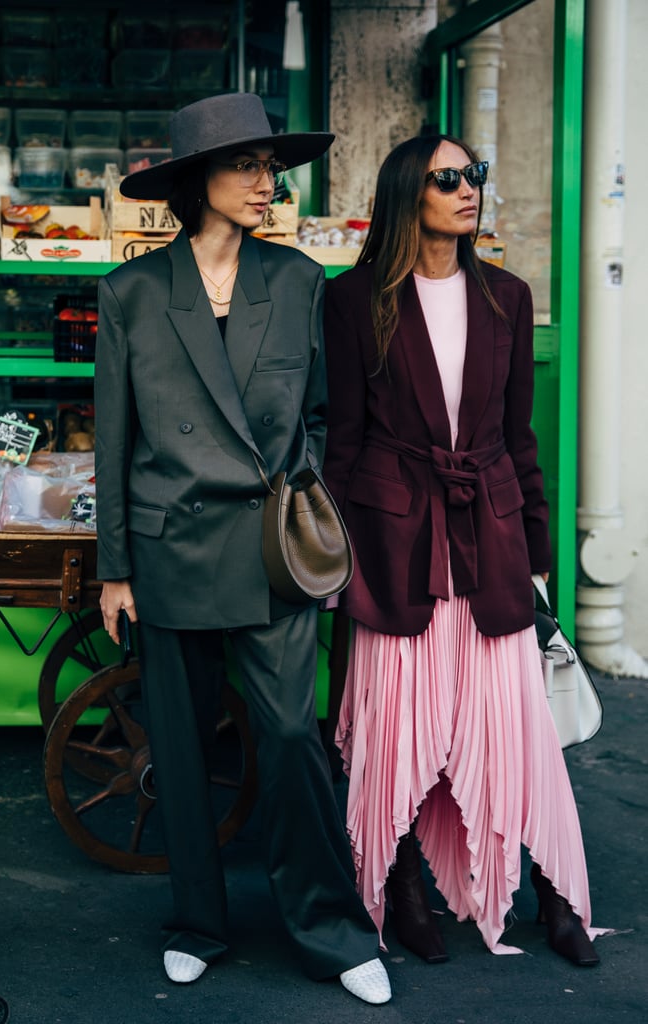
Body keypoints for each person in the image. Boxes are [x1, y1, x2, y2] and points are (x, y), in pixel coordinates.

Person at [93, 92, 391, 1005]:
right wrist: (113, 568)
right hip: (170, 541)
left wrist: (307, 503)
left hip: (269, 543)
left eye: (270, 166)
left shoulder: (298, 279)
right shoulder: (132, 291)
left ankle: (334, 934)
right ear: (197, 184)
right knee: (179, 750)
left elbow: (324, 415)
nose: (267, 182)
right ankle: (197, 922)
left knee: (294, 735)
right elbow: (115, 438)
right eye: (246, 166)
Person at [322, 134, 604, 965]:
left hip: (490, 536)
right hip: (391, 540)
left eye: (473, 175)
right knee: (400, 728)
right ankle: (401, 885)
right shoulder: (353, 301)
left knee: (514, 727)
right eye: (447, 179)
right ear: (410, 193)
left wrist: (539, 552)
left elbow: (519, 437)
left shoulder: (506, 296)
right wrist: (336, 556)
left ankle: (554, 894)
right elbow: (343, 439)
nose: (466, 190)